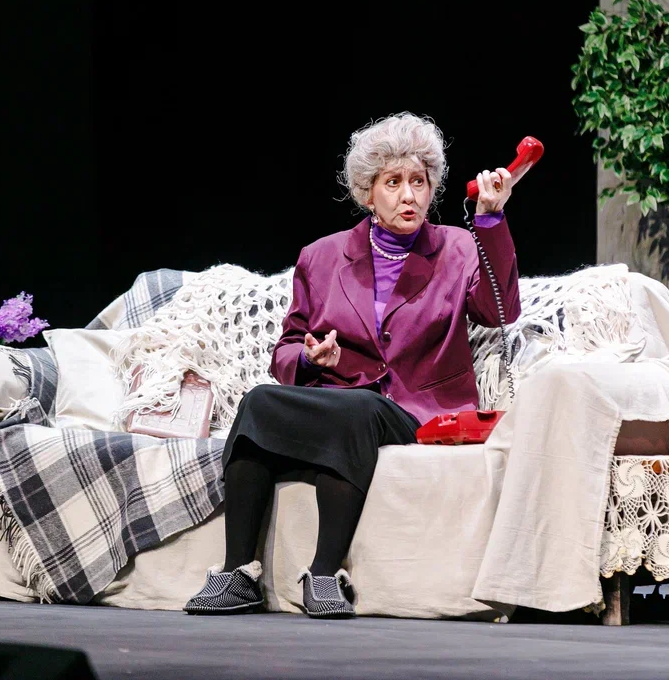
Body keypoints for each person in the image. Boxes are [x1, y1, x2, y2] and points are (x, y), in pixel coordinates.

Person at [184, 112, 522, 618]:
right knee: (259, 403)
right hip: (340, 402)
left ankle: (323, 573)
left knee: (358, 409)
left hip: (415, 409)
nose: (409, 196)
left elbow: (500, 310)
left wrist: (491, 219)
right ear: (368, 193)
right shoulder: (321, 258)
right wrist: (309, 358)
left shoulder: (456, 247)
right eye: (393, 183)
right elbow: (286, 350)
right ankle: (237, 574)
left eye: (419, 182)